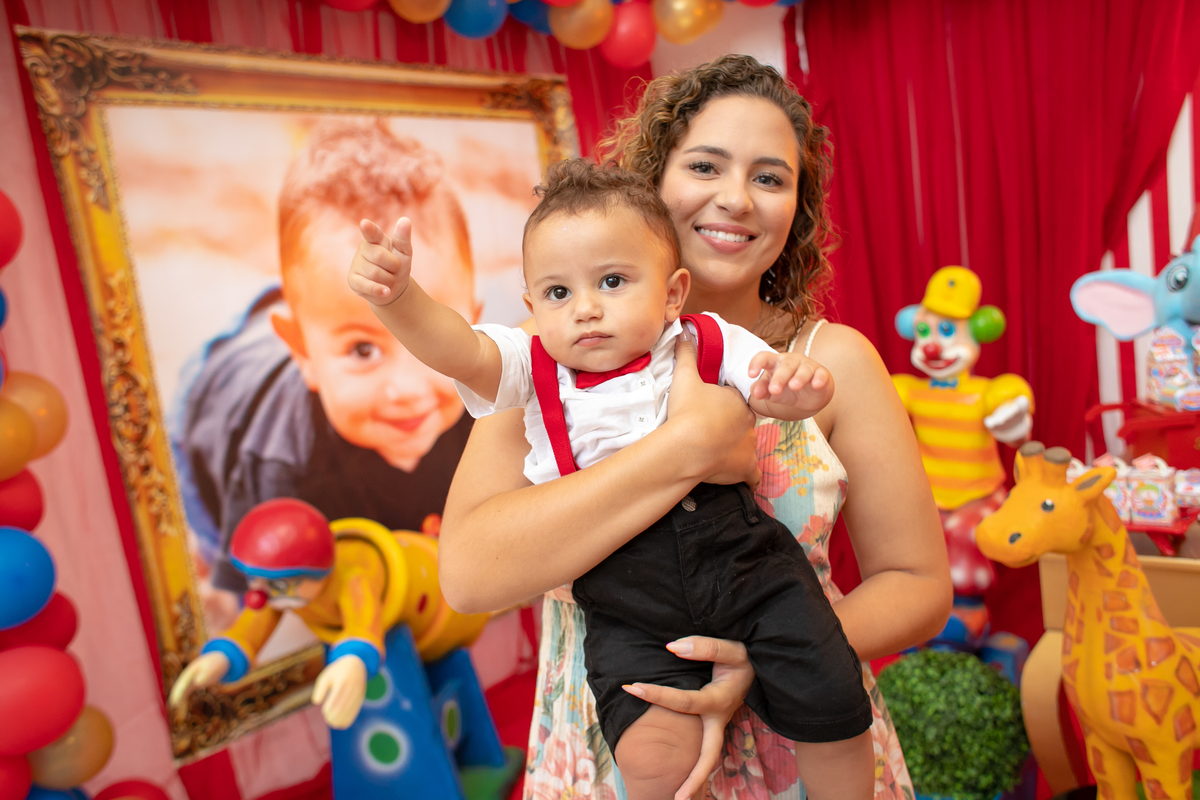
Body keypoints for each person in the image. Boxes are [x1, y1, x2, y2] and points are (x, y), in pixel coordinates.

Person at [438, 55, 951, 800]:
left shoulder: (828, 361)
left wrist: (759, 656)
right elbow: (468, 575)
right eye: (705, 166)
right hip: (614, 742)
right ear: (652, 181)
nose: (736, 199)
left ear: (798, 209)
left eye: (770, 178)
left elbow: (918, 585)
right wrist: (687, 447)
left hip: (802, 731)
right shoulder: (548, 352)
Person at [347, 158, 873, 800]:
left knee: (833, 703)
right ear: (532, 306)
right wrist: (400, 299)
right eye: (558, 294)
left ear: (672, 293)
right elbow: (460, 348)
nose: (586, 309)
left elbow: (770, 385)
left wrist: (797, 388)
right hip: (625, 590)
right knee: (652, 755)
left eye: (613, 281)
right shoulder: (533, 364)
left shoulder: (704, 338)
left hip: (742, 560)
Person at [173, 119, 476, 594]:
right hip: (212, 398)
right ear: (303, 355)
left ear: (476, 324)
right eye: (363, 349)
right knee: (228, 548)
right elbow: (263, 598)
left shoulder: (487, 407)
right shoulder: (277, 470)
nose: (408, 389)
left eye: (431, 335)